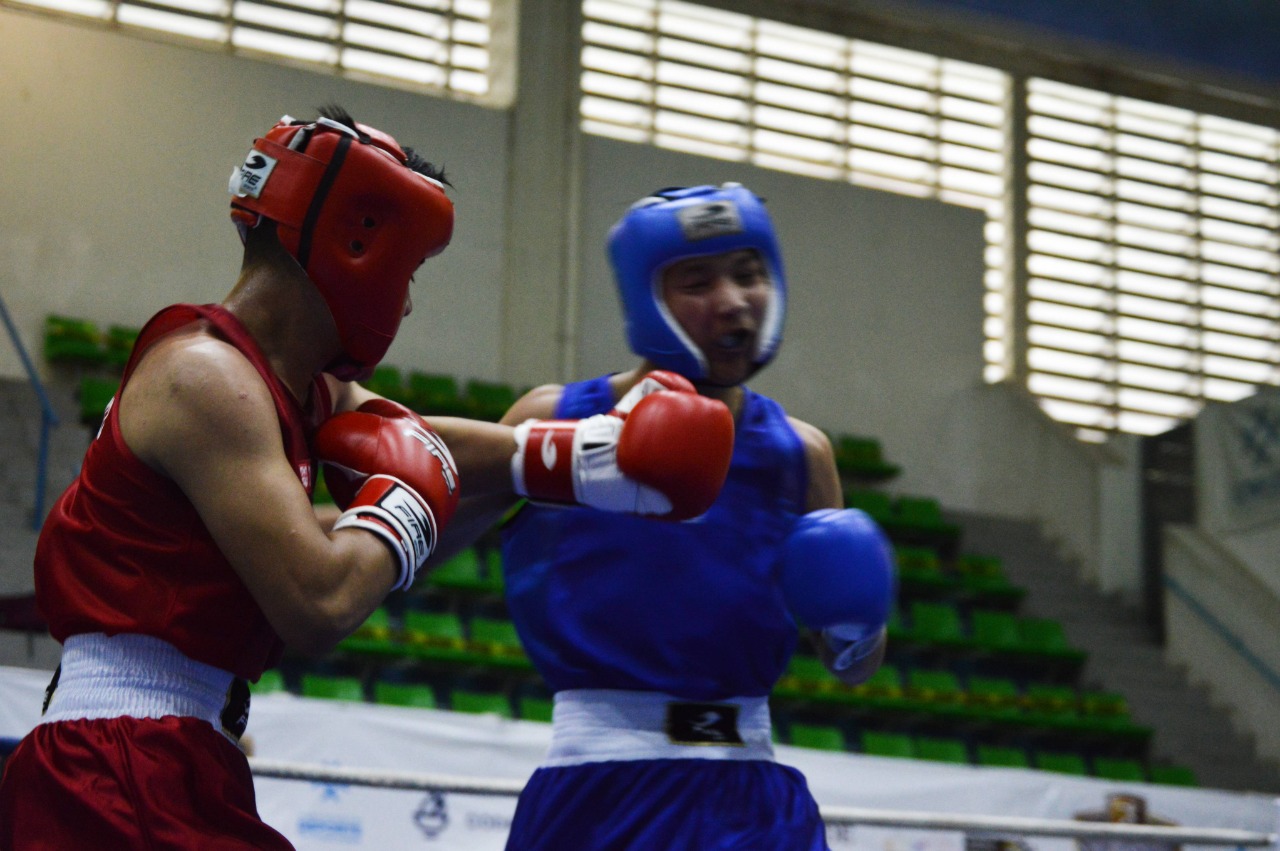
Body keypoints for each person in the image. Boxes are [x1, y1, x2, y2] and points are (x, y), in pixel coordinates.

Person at [0, 108, 734, 850]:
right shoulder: (206, 380)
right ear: (356, 243)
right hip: (117, 765)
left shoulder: (292, 386)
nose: (407, 301)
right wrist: (406, 502)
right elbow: (320, 602)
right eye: (409, 271)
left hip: (174, 753)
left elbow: (423, 444)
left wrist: (595, 457)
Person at [491, 183, 897, 850]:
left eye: (748, 273)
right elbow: (420, 541)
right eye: (699, 281)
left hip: (756, 806)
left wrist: (858, 624)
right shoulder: (557, 419)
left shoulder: (801, 454)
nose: (733, 301)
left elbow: (853, 667)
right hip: (600, 794)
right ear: (646, 298)